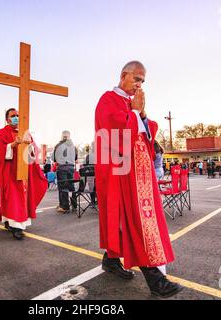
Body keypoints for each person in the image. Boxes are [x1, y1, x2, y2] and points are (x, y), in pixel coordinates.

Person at [94, 61, 182, 298]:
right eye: (137, 79)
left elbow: (146, 133)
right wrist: (135, 113)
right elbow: (115, 132)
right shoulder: (108, 99)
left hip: (138, 173)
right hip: (118, 173)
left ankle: (111, 260)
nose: (139, 84)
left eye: (142, 81)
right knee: (134, 220)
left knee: (125, 221)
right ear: (124, 75)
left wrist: (141, 114)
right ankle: (155, 280)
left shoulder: (130, 104)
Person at [0, 108, 48, 240]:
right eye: (13, 116)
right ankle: (16, 227)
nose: (16, 117)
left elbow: (34, 152)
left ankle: (13, 222)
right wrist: (12, 144)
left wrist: (30, 146)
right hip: (10, 171)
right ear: (7, 119)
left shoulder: (26, 133)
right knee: (13, 199)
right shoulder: (1, 133)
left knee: (21, 198)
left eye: (18, 115)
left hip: (25, 172)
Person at [52, 130, 78, 214]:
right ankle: (74, 205)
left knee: (63, 187)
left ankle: (64, 206)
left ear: (62, 136)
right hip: (71, 167)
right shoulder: (73, 146)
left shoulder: (58, 145)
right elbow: (76, 158)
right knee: (71, 186)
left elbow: (53, 158)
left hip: (62, 167)